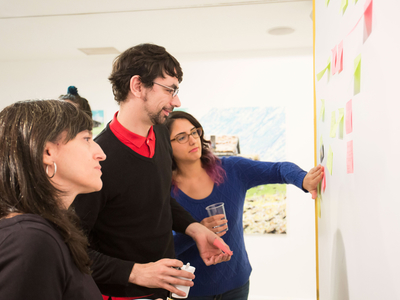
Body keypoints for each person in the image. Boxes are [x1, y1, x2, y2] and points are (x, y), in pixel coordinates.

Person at [73, 43, 232, 300]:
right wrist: (135, 272)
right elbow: (72, 247)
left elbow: (158, 198)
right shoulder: (98, 159)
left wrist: (194, 228)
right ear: (137, 86)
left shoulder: (159, 133)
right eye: (169, 89)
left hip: (166, 290)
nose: (176, 101)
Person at [164, 111, 324, 300]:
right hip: (189, 291)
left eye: (194, 132)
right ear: (167, 146)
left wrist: (303, 179)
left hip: (236, 287)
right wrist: (197, 232)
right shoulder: (161, 190)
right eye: (181, 137)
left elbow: (279, 169)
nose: (192, 140)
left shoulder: (232, 169)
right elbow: (160, 250)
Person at [0, 100, 106, 300]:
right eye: (86, 139)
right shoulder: (29, 240)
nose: (101, 154)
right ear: (47, 152)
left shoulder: (43, 230)